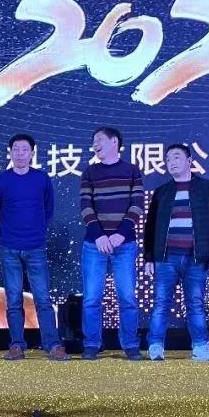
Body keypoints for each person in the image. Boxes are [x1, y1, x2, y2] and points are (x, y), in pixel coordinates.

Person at [0, 134, 69, 361]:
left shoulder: (41, 179)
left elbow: (48, 209)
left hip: (35, 246)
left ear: (32, 153)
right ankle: (16, 345)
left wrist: (36, 231)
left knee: (43, 298)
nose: (20, 153)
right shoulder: (2, 180)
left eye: (24, 149)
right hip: (9, 247)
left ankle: (52, 345)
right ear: (10, 152)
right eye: (16, 149)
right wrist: (6, 233)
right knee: (13, 299)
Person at [144, 144, 209, 362]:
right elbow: (150, 227)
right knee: (161, 303)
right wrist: (149, 257)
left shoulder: (208, 188)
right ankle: (155, 346)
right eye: (167, 159)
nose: (171, 162)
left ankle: (200, 347)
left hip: (196, 257)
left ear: (189, 161)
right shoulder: (162, 192)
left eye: (176, 157)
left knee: (195, 303)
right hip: (165, 258)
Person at [80, 126, 145, 361]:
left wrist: (121, 234)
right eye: (93, 141)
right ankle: (91, 344)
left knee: (127, 297)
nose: (95, 145)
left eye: (99, 140)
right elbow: (85, 206)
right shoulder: (89, 172)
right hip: (94, 244)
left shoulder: (132, 170)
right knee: (91, 299)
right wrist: (99, 235)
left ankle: (130, 344)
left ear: (115, 141)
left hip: (124, 244)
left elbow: (137, 205)